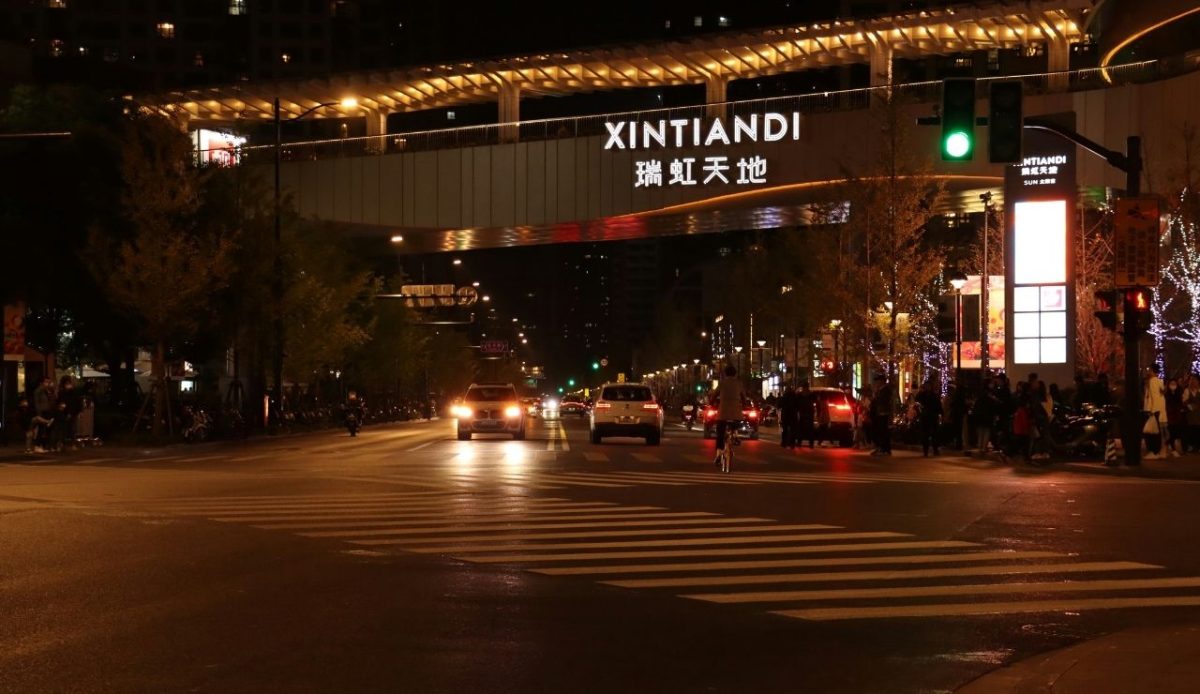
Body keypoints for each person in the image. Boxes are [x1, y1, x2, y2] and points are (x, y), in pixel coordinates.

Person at [714, 364, 744, 464]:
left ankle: (718, 454)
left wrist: (712, 402)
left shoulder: (722, 383)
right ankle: (735, 435)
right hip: (736, 412)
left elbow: (714, 395)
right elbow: (744, 397)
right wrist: (744, 404)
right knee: (737, 423)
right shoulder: (739, 383)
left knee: (720, 434)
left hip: (723, 412)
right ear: (735, 374)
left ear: (725, 374)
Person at [1143, 366, 1166, 459]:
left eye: (1149, 370)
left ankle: (1154, 451)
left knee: (1151, 432)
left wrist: (1151, 410)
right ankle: (1156, 451)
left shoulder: (1152, 381)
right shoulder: (1159, 381)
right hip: (1156, 409)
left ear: (1152, 371)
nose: (1147, 372)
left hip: (1152, 410)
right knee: (1155, 431)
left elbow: (1153, 396)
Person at [869, 375, 895, 456]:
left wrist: (875, 397)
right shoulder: (879, 390)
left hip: (883, 413)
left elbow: (884, 401)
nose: (876, 383)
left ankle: (885, 449)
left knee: (883, 431)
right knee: (878, 431)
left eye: (878, 381)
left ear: (882, 381)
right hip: (878, 413)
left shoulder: (886, 390)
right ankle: (880, 447)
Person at [916, 380, 943, 456]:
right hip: (925, 416)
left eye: (928, 386)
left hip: (933, 416)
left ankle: (935, 449)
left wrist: (940, 414)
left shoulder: (934, 395)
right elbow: (917, 403)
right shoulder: (921, 395)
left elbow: (938, 405)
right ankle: (926, 451)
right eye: (926, 386)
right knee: (925, 434)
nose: (927, 387)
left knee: (934, 434)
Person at [1165, 377, 1185, 457]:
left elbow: (1180, 403)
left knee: (1176, 433)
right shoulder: (1166, 394)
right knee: (1172, 432)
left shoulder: (1178, 394)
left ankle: (1167, 444)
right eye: (1171, 384)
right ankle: (1173, 449)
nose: (1173, 385)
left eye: (1174, 384)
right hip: (1170, 416)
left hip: (1177, 416)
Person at [796, 380, 816, 448]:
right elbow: (815, 402)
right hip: (809, 413)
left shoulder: (799, 395)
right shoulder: (811, 394)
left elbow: (796, 404)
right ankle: (811, 443)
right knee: (810, 429)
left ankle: (800, 442)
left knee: (801, 428)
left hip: (803, 413)